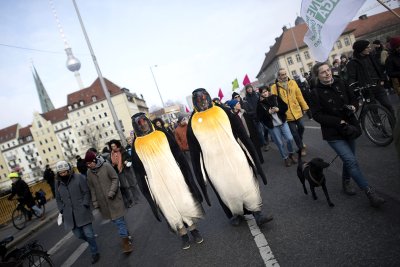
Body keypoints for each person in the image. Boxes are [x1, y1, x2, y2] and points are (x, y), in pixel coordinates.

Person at [187, 88, 272, 227]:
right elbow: (195, 155)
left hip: (234, 155)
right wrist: (201, 183)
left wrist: (252, 155)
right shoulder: (193, 123)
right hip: (214, 164)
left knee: (245, 181)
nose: (202, 102)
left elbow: (242, 134)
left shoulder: (223, 111)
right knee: (225, 189)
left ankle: (257, 213)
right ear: (194, 102)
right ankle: (235, 213)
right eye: (198, 100)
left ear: (208, 97)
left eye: (204, 98)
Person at [310, 62, 385, 208]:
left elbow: (354, 99)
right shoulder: (315, 92)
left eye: (328, 70)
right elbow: (317, 115)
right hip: (333, 133)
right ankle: (369, 192)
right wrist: (338, 121)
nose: (328, 73)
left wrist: (353, 106)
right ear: (317, 76)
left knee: (349, 158)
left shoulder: (341, 82)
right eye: (323, 72)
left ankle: (345, 181)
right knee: (351, 161)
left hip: (349, 128)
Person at [130, 113, 205, 250]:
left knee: (182, 203)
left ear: (148, 121)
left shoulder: (162, 133)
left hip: (173, 176)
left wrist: (186, 175)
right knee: (170, 208)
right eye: (139, 124)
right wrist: (148, 193)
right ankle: (183, 235)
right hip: (157, 183)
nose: (143, 125)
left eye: (144, 122)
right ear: (136, 127)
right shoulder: (137, 145)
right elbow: (139, 172)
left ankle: (194, 230)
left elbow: (178, 154)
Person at [84, 150, 133, 254]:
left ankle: (126, 244)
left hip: (114, 200)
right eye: (87, 164)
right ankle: (126, 235)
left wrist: (111, 192)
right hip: (104, 204)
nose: (89, 165)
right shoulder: (89, 173)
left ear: (94, 160)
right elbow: (92, 188)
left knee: (119, 221)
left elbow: (115, 179)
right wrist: (95, 202)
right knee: (117, 222)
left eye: (90, 163)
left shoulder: (106, 166)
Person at [54, 161, 100, 264]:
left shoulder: (79, 177)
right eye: (60, 173)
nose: (63, 174)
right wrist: (61, 209)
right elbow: (57, 199)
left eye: (64, 172)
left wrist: (85, 204)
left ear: (69, 170)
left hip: (82, 211)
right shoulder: (57, 183)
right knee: (79, 235)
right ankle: (92, 242)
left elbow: (86, 192)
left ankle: (94, 252)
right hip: (69, 214)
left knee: (89, 234)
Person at [346, 39, 395, 117]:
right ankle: (378, 126)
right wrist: (353, 89)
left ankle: (394, 125)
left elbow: (379, 68)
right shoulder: (352, 63)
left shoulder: (371, 56)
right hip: (367, 90)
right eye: (367, 47)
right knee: (374, 111)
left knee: (388, 106)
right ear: (361, 49)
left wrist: (382, 79)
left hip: (378, 86)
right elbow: (351, 77)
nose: (369, 49)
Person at [271, 68, 309, 156]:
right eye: (282, 74)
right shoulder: (274, 87)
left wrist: (304, 106)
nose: (284, 76)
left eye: (285, 74)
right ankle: (301, 147)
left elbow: (299, 95)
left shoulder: (293, 82)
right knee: (294, 133)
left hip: (296, 110)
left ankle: (300, 140)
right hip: (286, 114)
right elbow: (274, 101)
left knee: (302, 127)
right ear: (278, 76)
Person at [257, 87, 297, 167]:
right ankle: (285, 158)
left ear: (268, 91)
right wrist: (268, 112)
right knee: (279, 143)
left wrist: (278, 109)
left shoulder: (275, 97)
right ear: (260, 94)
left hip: (283, 122)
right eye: (263, 92)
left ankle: (291, 153)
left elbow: (285, 107)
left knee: (289, 138)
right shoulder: (260, 104)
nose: (265, 93)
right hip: (273, 126)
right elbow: (259, 117)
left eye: (266, 91)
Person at [227, 98, 264, 163]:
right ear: (234, 106)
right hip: (244, 136)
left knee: (256, 147)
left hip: (252, 132)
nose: (239, 104)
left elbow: (251, 122)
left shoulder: (244, 112)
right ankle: (254, 162)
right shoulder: (232, 117)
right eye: (238, 104)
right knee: (250, 150)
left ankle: (260, 160)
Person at [108, 139, 141, 208]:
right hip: (119, 171)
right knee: (125, 187)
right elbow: (111, 163)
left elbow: (129, 158)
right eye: (111, 146)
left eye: (114, 146)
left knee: (132, 184)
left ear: (117, 145)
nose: (113, 148)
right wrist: (113, 165)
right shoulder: (111, 155)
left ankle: (137, 198)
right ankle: (130, 201)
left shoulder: (122, 151)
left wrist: (126, 161)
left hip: (127, 169)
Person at [243, 84, 269, 152]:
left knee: (266, 128)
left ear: (252, 88)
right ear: (246, 90)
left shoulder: (257, 94)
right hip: (255, 117)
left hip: (262, 114)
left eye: (250, 88)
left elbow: (262, 102)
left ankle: (266, 138)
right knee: (260, 131)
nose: (249, 89)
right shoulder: (246, 99)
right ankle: (265, 144)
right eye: (247, 88)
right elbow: (247, 109)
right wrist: (253, 113)